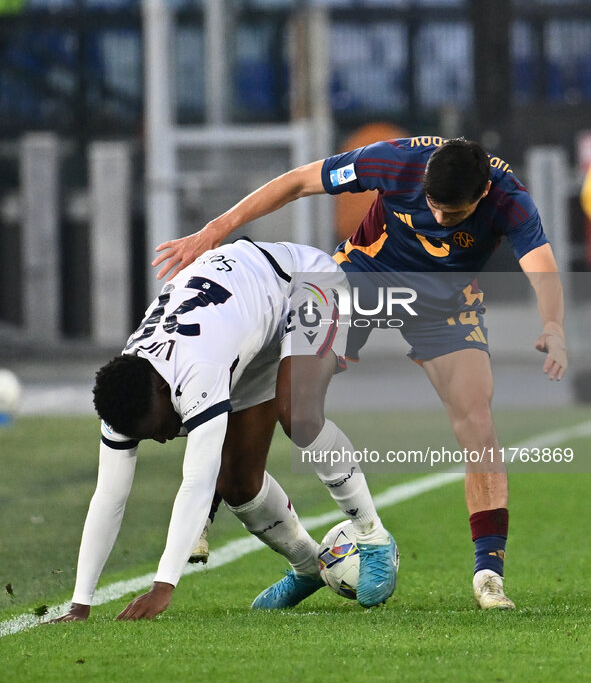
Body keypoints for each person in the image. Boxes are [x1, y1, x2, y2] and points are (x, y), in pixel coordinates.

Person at [151, 137, 568, 611]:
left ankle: (488, 575)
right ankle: (265, 537)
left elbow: (542, 267)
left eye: (453, 215)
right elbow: (298, 182)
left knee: (477, 421)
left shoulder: (510, 198)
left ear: (482, 195)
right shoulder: (394, 163)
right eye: (433, 206)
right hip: (357, 282)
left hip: (444, 304)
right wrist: (217, 228)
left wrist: (553, 326)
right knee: (289, 399)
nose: (439, 219)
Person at [52, 238, 399, 623]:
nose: (165, 438)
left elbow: (197, 481)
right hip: (246, 326)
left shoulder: (197, 370)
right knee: (237, 482)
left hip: (303, 283)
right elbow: (109, 497)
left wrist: (163, 586)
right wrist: (79, 604)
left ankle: (372, 536)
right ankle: (308, 565)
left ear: (165, 389)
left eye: (160, 429)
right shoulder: (122, 392)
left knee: (298, 415)